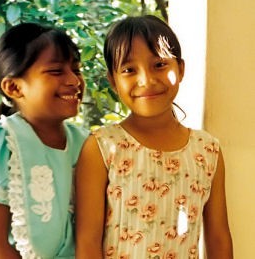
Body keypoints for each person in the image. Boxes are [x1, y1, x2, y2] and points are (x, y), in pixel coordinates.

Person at [75, 15, 233, 258]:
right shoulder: (102, 147)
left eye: (159, 65)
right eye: (129, 70)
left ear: (180, 69)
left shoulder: (207, 150)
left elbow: (219, 238)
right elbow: (87, 243)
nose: (146, 80)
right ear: (113, 81)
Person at [0, 22, 89, 259]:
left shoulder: (86, 143)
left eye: (76, 69)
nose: (74, 80)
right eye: (56, 71)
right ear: (14, 87)